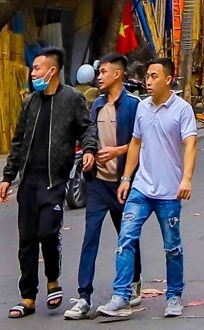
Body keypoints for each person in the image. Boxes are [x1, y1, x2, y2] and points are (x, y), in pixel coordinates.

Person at [0, 46, 96, 320]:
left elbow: (87, 127)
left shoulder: (72, 98)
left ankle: (53, 279)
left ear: (52, 71)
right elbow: (18, 141)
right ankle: (27, 298)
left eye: (37, 69)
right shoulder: (30, 102)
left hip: (54, 181)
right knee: (26, 240)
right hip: (28, 181)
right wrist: (8, 176)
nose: (33, 73)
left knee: (48, 233)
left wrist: (89, 150)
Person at [97, 55, 197, 322]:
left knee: (172, 246)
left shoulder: (182, 109)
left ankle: (174, 295)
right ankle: (121, 295)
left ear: (168, 79)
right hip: (141, 188)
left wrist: (185, 178)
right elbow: (135, 144)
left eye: (154, 76)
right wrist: (126, 179)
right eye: (147, 77)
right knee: (125, 240)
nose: (148, 81)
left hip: (169, 193)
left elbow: (190, 145)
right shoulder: (142, 107)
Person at [65, 55, 140, 321]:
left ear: (118, 74)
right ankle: (83, 297)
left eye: (105, 71)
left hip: (122, 183)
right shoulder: (95, 105)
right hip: (97, 182)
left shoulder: (133, 106)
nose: (100, 76)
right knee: (90, 237)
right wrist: (89, 152)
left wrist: (119, 152)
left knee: (127, 237)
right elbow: (89, 135)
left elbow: (140, 143)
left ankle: (134, 282)